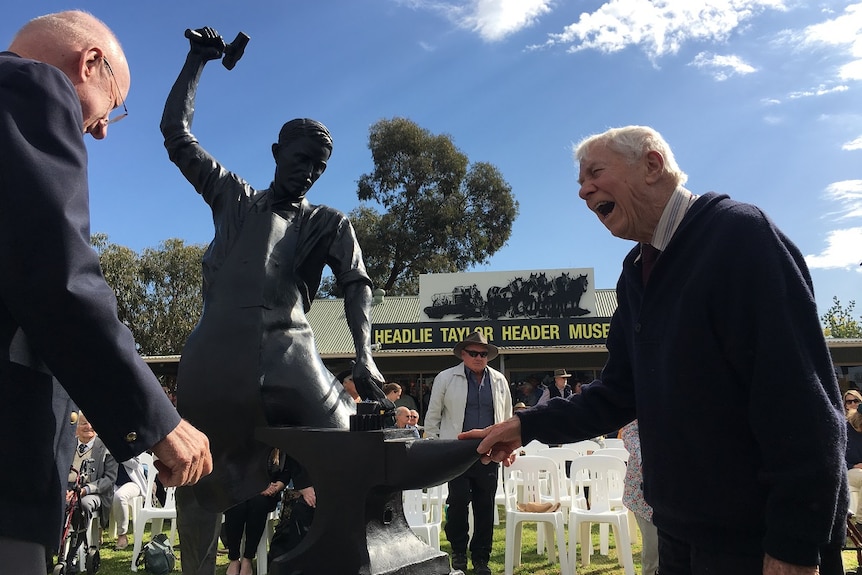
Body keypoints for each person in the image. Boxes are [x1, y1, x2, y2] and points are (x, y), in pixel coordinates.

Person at [465, 126, 848, 575]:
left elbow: (802, 402)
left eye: (595, 172)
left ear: (652, 165)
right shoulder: (636, 272)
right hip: (678, 534)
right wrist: (525, 424)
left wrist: (795, 544)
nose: (584, 191)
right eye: (579, 182)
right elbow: (618, 391)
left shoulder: (739, 236)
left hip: (756, 543)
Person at [160, 26, 388, 574]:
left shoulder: (329, 221)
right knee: (199, 478)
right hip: (217, 354)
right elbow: (176, 133)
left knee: (350, 457)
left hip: (292, 350)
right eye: (301, 158)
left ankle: (335, 559)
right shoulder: (231, 195)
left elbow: (356, 283)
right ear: (277, 152)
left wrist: (366, 354)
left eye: (319, 166)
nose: (308, 171)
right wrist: (198, 61)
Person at [0, 11, 211, 574]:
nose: (101, 129)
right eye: (112, 105)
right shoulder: (31, 85)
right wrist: (160, 420)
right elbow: (56, 274)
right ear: (89, 63)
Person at [424, 330, 512, 575]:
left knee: (486, 505)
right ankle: (459, 552)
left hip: (490, 452)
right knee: (458, 502)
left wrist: (508, 446)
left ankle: (481, 559)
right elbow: (433, 415)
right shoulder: (445, 378)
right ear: (463, 354)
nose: (479, 358)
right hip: (457, 451)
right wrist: (433, 446)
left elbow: (506, 418)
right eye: (473, 353)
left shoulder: (499, 380)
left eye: (483, 354)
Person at [223, 449, 292, 575]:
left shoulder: (281, 445)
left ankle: (248, 558)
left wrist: (278, 486)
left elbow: (286, 472)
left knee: (258, 503)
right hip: (243, 489)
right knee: (236, 507)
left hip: (268, 494)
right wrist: (259, 486)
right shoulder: (249, 442)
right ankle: (234, 558)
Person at [67, 413, 118, 547]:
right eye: (83, 423)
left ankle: (76, 548)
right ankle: (50, 552)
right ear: (76, 427)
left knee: (83, 505)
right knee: (53, 502)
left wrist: (85, 490)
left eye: (92, 423)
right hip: (68, 488)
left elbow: (109, 479)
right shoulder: (67, 445)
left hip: (94, 492)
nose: (88, 427)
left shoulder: (107, 447)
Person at [620, 420, 658, 575]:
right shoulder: (643, 398)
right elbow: (629, 433)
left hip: (681, 491)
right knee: (653, 555)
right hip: (644, 493)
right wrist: (648, 460)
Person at [112, 454, 148, 550]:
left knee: (119, 496)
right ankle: (98, 532)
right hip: (112, 481)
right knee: (101, 494)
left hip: (133, 482)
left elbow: (135, 464)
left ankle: (122, 534)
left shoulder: (132, 440)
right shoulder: (105, 440)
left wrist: (117, 453)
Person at [846, 409, 862, 525]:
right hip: (848, 470)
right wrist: (852, 465)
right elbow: (834, 457)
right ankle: (861, 522)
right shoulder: (846, 429)